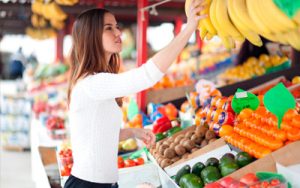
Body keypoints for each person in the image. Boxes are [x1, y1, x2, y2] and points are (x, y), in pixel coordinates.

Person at [65, 0, 206, 187]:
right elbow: (147, 75)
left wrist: (133, 132)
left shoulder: (96, 81)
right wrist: (188, 30)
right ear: (91, 36)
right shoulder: (92, 83)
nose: (118, 33)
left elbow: (97, 136)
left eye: (116, 26)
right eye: (109, 28)